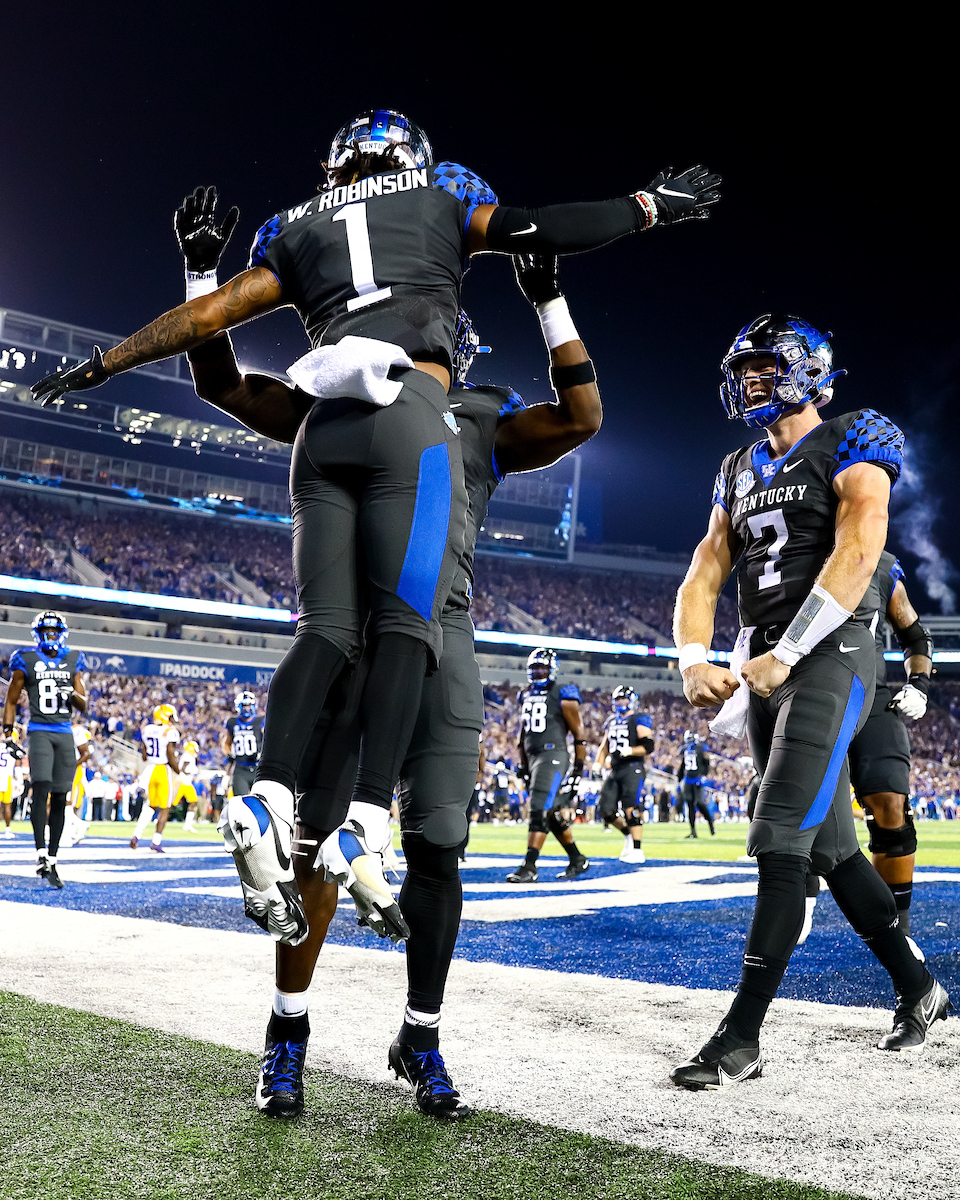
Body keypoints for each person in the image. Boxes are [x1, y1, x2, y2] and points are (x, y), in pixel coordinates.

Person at [33, 115, 720, 946]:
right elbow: (554, 300)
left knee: (351, 686)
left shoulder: (307, 238)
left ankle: (287, 820)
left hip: (343, 470)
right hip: (411, 565)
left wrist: (121, 347)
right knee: (397, 676)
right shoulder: (444, 252)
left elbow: (215, 341)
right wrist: (636, 215)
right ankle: (350, 860)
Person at [171, 192, 604, 1116]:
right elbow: (225, 383)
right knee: (310, 853)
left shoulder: (479, 414)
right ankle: (287, 1032)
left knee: (438, 850)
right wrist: (202, 279)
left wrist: (548, 298)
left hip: (442, 650)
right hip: (353, 649)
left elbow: (581, 414)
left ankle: (421, 1033)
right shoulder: (348, 401)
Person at [671, 313, 948, 1090]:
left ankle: (741, 1036)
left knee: (781, 834)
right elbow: (704, 570)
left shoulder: (857, 435)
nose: (752, 380)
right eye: (745, 369)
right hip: (766, 662)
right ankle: (919, 987)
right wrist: (693, 657)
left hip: (833, 651)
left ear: (809, 370)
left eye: (766, 367)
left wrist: (787, 652)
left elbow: (861, 548)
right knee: (831, 849)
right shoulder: (735, 467)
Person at [846, 553, 932, 938]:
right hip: (802, 689)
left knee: (893, 807)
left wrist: (920, 685)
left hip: (870, 691)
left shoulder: (880, 563)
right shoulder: (791, 542)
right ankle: (803, 900)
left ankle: (896, 931)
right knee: (789, 812)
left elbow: (915, 634)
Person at [3, 611, 87, 888]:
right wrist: (7, 730)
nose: (50, 636)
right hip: (39, 729)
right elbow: (12, 699)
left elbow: (84, 705)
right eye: (46, 631)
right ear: (38, 633)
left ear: (61, 632)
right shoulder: (25, 659)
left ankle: (52, 857)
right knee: (41, 786)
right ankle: (40, 852)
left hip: (64, 733)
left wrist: (71, 693)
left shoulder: (73, 659)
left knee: (61, 797)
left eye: (54, 631)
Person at [506, 647, 589, 883]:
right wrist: (522, 765)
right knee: (550, 812)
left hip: (553, 755)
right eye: (535, 668)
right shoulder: (525, 694)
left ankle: (529, 865)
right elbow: (524, 735)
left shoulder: (563, 692)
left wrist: (578, 769)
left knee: (538, 807)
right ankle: (577, 858)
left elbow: (578, 734)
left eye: (543, 667)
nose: (539, 672)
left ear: (552, 669)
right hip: (533, 758)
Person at [594, 685, 652, 863]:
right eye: (618, 699)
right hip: (615, 769)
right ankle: (627, 834)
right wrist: (598, 763)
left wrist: (629, 750)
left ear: (632, 700)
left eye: (624, 699)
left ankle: (637, 849)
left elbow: (648, 746)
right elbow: (605, 745)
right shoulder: (611, 721)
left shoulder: (639, 718)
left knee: (631, 807)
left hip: (632, 767)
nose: (621, 702)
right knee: (605, 809)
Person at [130, 704, 181, 853]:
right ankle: (156, 841)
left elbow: (144, 755)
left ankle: (136, 835)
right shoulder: (170, 731)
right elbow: (170, 754)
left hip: (151, 769)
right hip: (163, 769)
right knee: (165, 808)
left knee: (150, 805)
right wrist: (178, 771)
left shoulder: (147, 729)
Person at [222, 691, 263, 799]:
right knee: (241, 802)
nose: (247, 708)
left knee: (261, 802)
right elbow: (226, 744)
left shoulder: (261, 722)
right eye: (244, 705)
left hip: (258, 768)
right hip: (241, 769)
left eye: (249, 705)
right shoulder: (232, 722)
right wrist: (229, 754)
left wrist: (262, 752)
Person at [678, 729, 715, 838]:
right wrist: (679, 779)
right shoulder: (689, 749)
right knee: (690, 805)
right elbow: (682, 765)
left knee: (699, 803)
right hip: (688, 779)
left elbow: (706, 763)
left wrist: (703, 775)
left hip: (697, 779)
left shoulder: (700, 748)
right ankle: (693, 831)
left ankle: (711, 825)